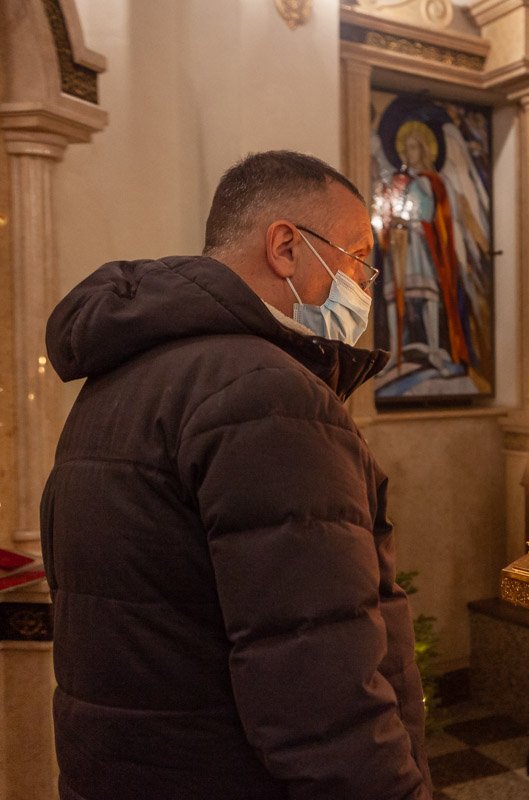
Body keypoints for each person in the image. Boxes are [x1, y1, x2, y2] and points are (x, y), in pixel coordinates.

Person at [41, 151, 433, 799]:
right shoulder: (267, 395)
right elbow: (320, 686)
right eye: (358, 259)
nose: (363, 286)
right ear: (285, 246)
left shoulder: (119, 379)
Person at [391, 127, 470, 377]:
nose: (408, 152)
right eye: (406, 148)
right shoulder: (400, 181)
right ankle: (396, 352)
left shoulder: (429, 181)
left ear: (424, 150)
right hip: (401, 245)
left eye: (413, 147)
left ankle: (435, 349)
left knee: (429, 295)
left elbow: (433, 215)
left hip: (421, 245)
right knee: (395, 295)